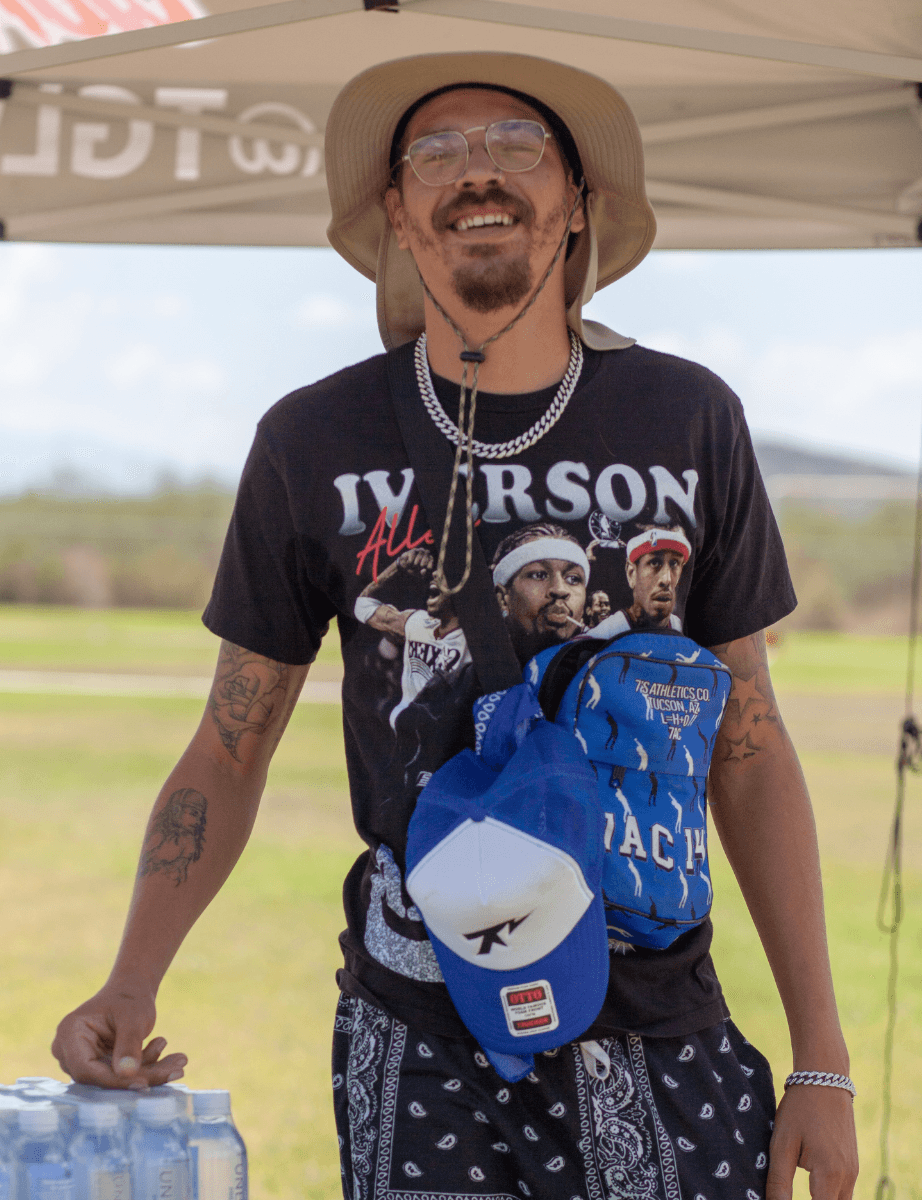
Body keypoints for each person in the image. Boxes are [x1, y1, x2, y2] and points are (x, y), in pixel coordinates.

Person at [51, 52, 857, 1200]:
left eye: (518, 147)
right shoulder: (312, 440)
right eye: (434, 154)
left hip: (660, 1020)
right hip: (420, 1027)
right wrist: (130, 980)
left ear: (577, 204)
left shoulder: (687, 416)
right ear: (398, 215)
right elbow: (233, 743)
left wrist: (822, 1062)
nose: (476, 174)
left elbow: (752, 742)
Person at [353, 547, 470, 729]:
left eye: (445, 573)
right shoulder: (416, 622)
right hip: (406, 740)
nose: (435, 577)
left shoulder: (480, 635)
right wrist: (397, 566)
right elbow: (362, 606)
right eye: (436, 573)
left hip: (453, 743)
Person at [489, 522, 588, 659]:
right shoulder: (465, 679)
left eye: (573, 579)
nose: (560, 590)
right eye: (539, 575)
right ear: (502, 598)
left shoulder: (606, 674)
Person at [592, 525, 690, 638]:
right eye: (654, 563)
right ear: (631, 573)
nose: (666, 580)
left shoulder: (681, 628)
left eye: (674, 563)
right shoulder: (601, 637)